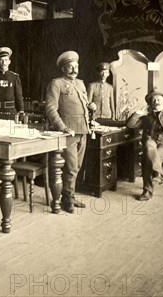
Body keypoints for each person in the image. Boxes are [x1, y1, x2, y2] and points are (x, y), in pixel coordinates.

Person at [45, 51, 96, 213]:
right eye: (70, 67)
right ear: (63, 69)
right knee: (72, 167)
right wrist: (62, 128)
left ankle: (70, 196)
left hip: (83, 129)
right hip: (69, 132)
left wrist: (91, 106)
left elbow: (82, 104)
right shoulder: (56, 84)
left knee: (77, 166)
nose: (74, 70)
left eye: (76, 66)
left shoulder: (81, 84)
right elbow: (51, 108)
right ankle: (66, 200)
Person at [126, 89, 163, 201]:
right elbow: (130, 125)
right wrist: (137, 113)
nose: (156, 101)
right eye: (153, 100)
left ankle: (148, 190)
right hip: (152, 142)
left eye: (158, 99)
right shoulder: (147, 117)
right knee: (149, 147)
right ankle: (157, 175)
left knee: (148, 157)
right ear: (150, 104)